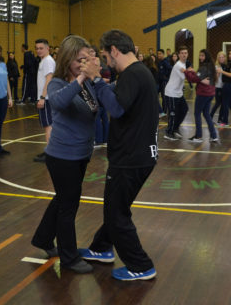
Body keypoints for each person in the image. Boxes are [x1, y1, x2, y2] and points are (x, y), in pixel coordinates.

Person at [78, 29, 158, 281]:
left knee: (116, 214)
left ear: (114, 50)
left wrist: (97, 79)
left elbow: (115, 108)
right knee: (116, 208)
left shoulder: (134, 75)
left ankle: (141, 265)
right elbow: (115, 96)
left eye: (104, 54)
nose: (104, 60)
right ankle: (101, 248)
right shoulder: (135, 73)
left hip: (131, 158)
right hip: (138, 154)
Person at [31, 35, 98, 274]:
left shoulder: (87, 84)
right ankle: (69, 258)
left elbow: (93, 107)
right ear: (68, 59)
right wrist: (81, 77)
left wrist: (96, 77)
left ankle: (42, 239)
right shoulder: (59, 83)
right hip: (62, 156)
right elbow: (58, 102)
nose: (84, 63)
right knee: (69, 205)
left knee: (62, 199)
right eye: (80, 60)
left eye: (86, 59)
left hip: (81, 153)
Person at [185, 49, 219, 143]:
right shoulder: (211, 66)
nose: (200, 57)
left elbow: (194, 79)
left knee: (197, 114)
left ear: (206, 56)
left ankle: (198, 136)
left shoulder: (204, 67)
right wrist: (195, 73)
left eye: (202, 56)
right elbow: (200, 78)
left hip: (203, 94)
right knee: (206, 114)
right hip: (210, 93)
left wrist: (187, 72)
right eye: (200, 55)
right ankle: (214, 135)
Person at [33, 39, 56, 163]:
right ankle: (49, 150)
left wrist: (42, 97)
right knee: (48, 125)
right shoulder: (44, 61)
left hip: (46, 98)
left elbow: (49, 79)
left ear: (48, 48)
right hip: (45, 98)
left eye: (41, 48)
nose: (38, 50)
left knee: (48, 126)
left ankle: (50, 153)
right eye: (37, 48)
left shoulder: (47, 61)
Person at [163, 46, 189, 140]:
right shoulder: (178, 65)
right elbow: (186, 77)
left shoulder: (184, 64)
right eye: (182, 53)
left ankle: (175, 128)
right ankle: (169, 132)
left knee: (184, 109)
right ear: (179, 55)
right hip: (171, 92)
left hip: (178, 93)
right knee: (173, 113)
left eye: (185, 53)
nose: (184, 55)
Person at [210, 51, 225, 122]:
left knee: (223, 103)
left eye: (222, 57)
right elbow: (214, 78)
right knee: (218, 102)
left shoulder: (224, 66)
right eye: (220, 57)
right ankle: (210, 116)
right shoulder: (216, 66)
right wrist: (217, 74)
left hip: (223, 87)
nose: (221, 59)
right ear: (218, 58)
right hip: (217, 87)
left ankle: (220, 119)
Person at [157, 49, 171, 117]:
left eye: (160, 54)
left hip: (164, 82)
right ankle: (161, 111)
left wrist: (166, 77)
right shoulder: (159, 62)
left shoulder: (165, 62)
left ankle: (164, 112)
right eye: (158, 54)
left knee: (164, 97)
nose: (159, 55)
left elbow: (170, 69)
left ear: (163, 54)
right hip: (159, 82)